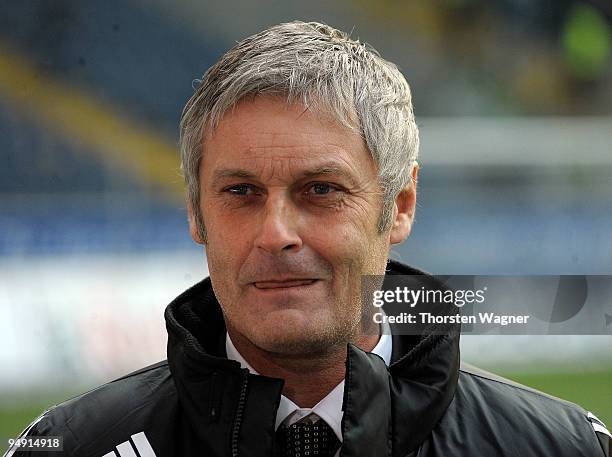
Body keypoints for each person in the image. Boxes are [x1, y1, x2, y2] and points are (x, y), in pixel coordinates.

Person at [6, 21, 610, 457]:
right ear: (196, 213)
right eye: (240, 192)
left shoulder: (561, 446)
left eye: (320, 190)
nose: (275, 234)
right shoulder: (71, 446)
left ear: (399, 207)